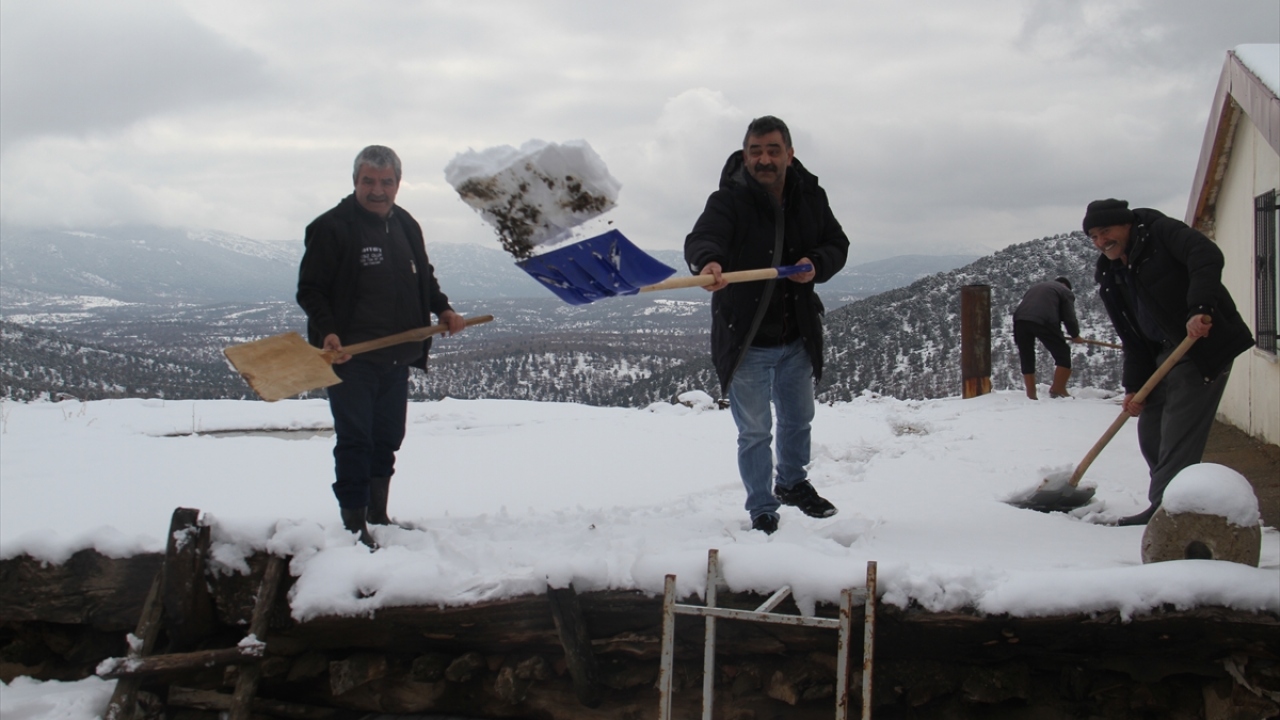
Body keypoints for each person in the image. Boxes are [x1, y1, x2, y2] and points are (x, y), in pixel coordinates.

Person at [684, 116, 850, 535]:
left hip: (796, 333)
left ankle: (792, 483)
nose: (764, 159)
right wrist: (709, 263)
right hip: (748, 336)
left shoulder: (810, 196)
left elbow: (836, 243)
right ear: (745, 155)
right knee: (755, 431)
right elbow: (703, 239)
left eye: (773, 150)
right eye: (755, 151)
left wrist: (817, 265)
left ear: (789, 155)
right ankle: (762, 507)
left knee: (799, 418)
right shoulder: (728, 201)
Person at [297, 145, 468, 547]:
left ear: (397, 183)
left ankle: (378, 514)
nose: (377, 190)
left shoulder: (406, 224)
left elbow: (422, 277)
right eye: (368, 181)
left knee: (388, 437)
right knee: (356, 439)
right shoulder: (331, 227)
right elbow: (311, 290)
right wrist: (327, 332)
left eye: (385, 181)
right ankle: (354, 524)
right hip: (351, 356)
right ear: (355, 181)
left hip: (397, 354)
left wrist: (442, 309)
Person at [1082, 198, 1254, 526]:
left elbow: (1206, 256)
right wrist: (1133, 387)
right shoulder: (1111, 272)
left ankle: (1165, 513)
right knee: (1151, 432)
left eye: (1106, 231)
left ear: (1127, 224)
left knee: (1178, 433)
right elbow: (1132, 336)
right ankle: (1173, 499)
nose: (1101, 242)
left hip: (1202, 345)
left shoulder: (1161, 233)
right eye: (1093, 236)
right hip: (1161, 353)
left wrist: (1200, 308)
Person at [1012, 277, 1084, 399]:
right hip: (1044, 320)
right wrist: (1075, 335)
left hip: (1020, 320)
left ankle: (1031, 394)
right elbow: (1069, 317)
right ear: (1066, 286)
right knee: (1063, 353)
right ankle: (1058, 389)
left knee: (1027, 356)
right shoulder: (1065, 291)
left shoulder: (1037, 287)